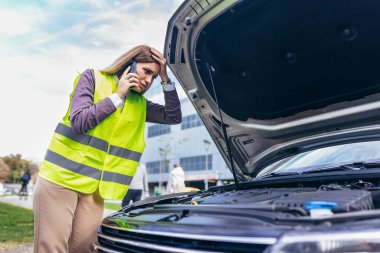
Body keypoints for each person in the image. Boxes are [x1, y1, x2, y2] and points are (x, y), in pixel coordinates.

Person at [33, 45, 182, 253]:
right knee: (52, 248)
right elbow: (80, 122)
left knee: (85, 249)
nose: (148, 80)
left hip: (95, 189)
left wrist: (166, 79)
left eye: (154, 77)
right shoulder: (92, 78)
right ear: (129, 63)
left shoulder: (140, 104)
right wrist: (117, 97)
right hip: (60, 180)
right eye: (146, 71)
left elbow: (173, 116)